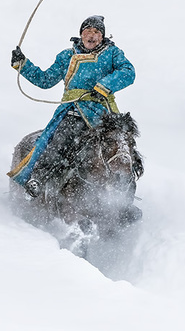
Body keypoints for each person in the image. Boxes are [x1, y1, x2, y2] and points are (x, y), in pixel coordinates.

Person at [7, 16, 135, 197]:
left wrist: (104, 86)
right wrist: (23, 64)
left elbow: (128, 72)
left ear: (102, 37)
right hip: (72, 112)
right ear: (81, 34)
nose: (92, 35)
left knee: (124, 145)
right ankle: (39, 180)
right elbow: (46, 80)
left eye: (97, 32)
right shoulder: (67, 56)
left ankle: (126, 196)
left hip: (102, 114)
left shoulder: (112, 53)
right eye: (88, 31)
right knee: (59, 142)